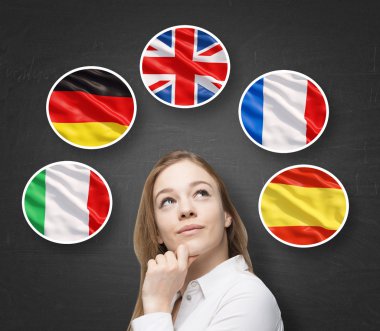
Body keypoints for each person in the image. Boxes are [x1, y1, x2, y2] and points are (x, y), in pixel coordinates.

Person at [128, 150, 284, 331]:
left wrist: (155, 309)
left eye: (201, 193)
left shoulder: (248, 296)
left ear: (227, 215)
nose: (186, 209)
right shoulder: (168, 300)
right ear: (157, 233)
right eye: (168, 201)